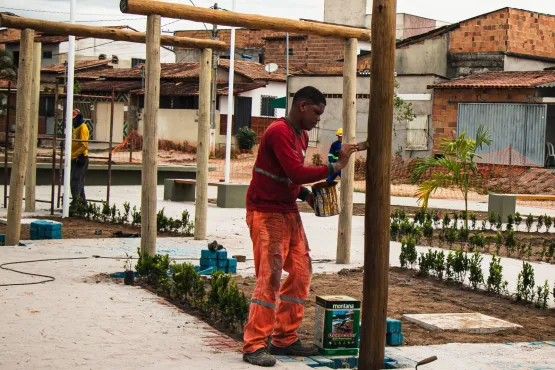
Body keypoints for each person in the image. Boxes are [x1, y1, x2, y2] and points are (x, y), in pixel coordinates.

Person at [243, 86, 358, 367]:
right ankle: (254, 344)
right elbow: (296, 172)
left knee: (301, 270)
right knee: (269, 278)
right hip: (265, 212)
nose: (318, 119)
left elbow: (288, 176)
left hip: (287, 210)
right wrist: (336, 166)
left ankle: (284, 338)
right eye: (317, 113)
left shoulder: (301, 135)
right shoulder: (279, 131)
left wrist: (305, 194)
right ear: (303, 106)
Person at [70, 108, 89, 210]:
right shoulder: (76, 127)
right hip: (76, 157)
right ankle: (82, 203)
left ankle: (76, 203)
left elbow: (84, 145)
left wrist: (74, 155)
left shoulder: (83, 128)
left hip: (80, 158)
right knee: (77, 182)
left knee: (76, 182)